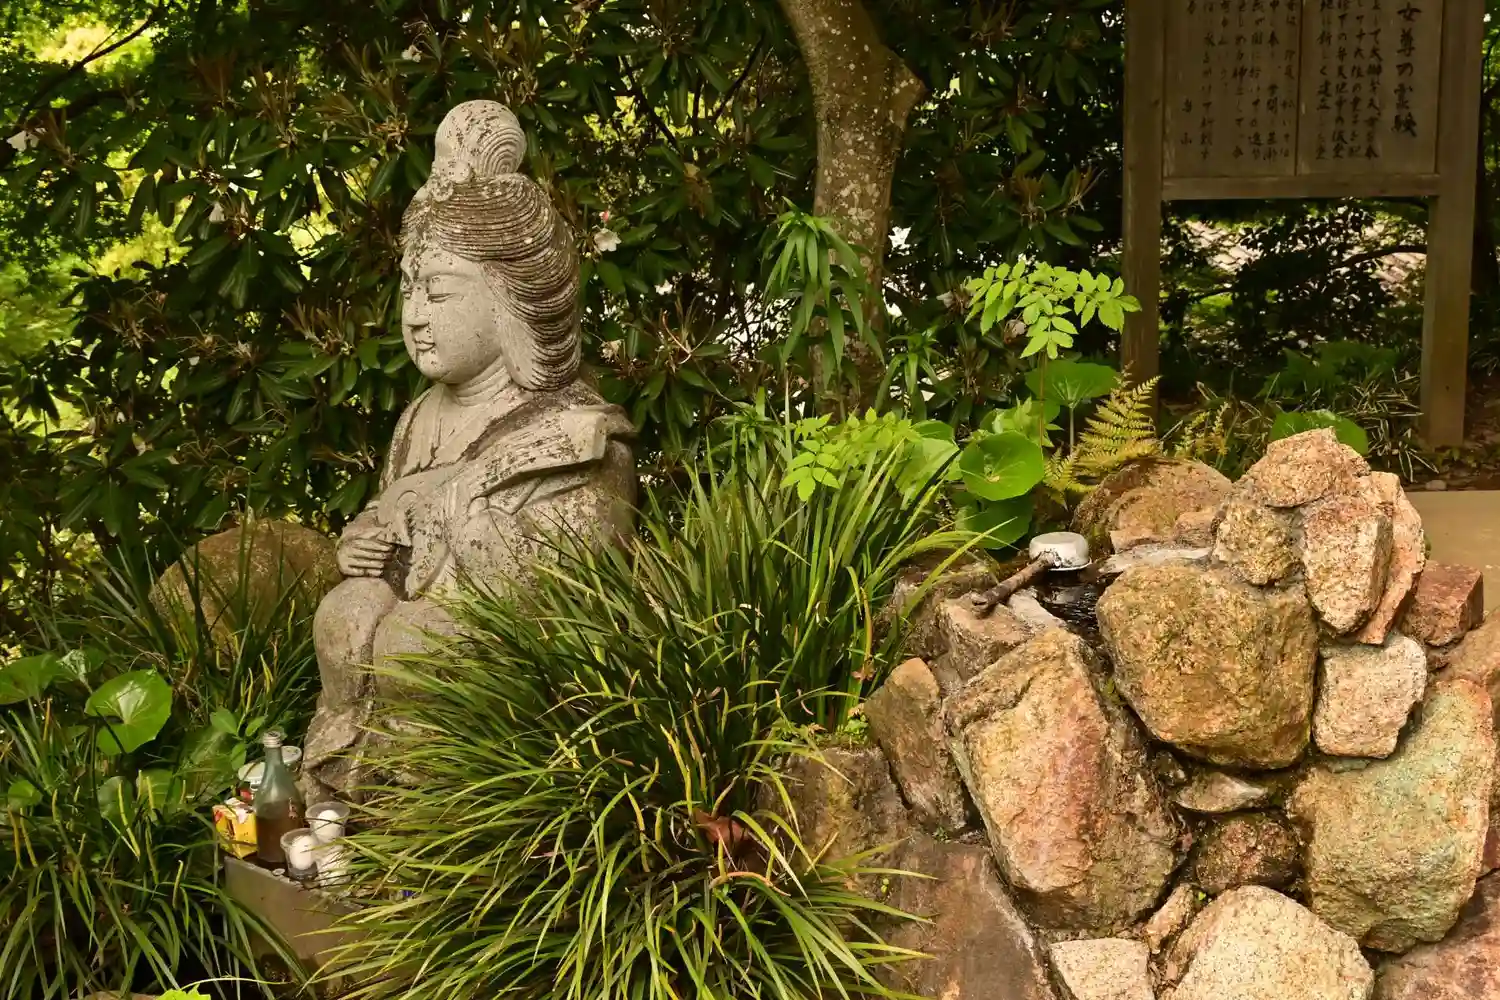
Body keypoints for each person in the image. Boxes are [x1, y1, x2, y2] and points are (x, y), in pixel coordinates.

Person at [302, 101, 635, 800]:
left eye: (438, 292)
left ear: (509, 297)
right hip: (417, 615)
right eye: (408, 290)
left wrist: (459, 516)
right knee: (346, 614)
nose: (415, 316)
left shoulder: (577, 433)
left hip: (509, 663)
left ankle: (442, 816)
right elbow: (390, 513)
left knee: (415, 642)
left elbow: (571, 592)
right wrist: (364, 542)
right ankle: (346, 795)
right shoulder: (419, 418)